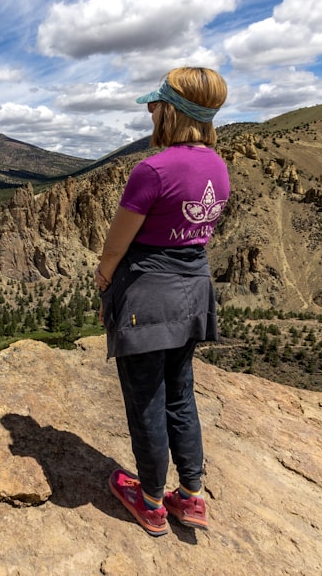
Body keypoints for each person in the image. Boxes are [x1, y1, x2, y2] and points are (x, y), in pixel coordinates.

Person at [95, 66, 229, 537]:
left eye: (156, 104)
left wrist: (104, 277)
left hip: (146, 299)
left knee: (145, 400)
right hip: (193, 294)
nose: (150, 111)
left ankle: (150, 500)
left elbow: (117, 242)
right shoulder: (217, 165)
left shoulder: (151, 169)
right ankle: (190, 497)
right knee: (180, 393)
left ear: (170, 111)